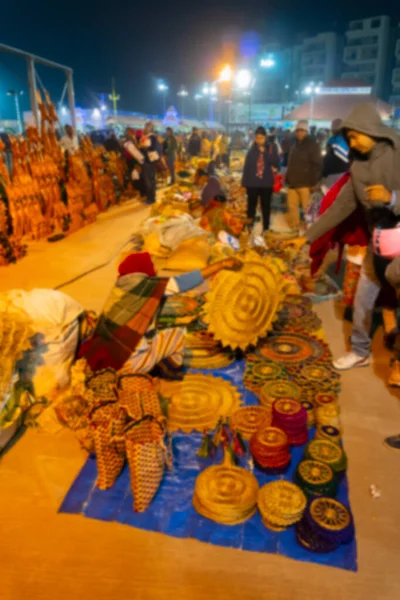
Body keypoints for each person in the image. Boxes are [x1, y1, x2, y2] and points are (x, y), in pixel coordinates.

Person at [283, 103, 400, 373]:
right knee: (362, 299)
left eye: (355, 136)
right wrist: (307, 237)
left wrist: (391, 198)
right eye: (348, 138)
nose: (351, 142)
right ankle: (360, 351)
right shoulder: (358, 167)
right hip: (378, 241)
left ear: (369, 129)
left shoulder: (396, 155)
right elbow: (341, 206)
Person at [78, 252, 240, 378]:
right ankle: (169, 374)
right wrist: (221, 264)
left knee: (152, 328)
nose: (155, 270)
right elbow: (184, 282)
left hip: (106, 362)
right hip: (128, 364)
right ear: (143, 269)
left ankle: (146, 363)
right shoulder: (146, 286)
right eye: (152, 266)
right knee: (177, 335)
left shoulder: (119, 288)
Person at [285, 120, 322, 234]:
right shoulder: (295, 145)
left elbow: (317, 165)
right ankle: (295, 229)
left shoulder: (312, 145)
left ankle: (311, 231)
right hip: (293, 183)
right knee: (292, 207)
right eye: (297, 130)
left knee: (308, 208)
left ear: (306, 131)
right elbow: (290, 163)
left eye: (302, 130)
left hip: (306, 183)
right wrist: (287, 178)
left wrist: (313, 183)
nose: (299, 133)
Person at [241, 125, 280, 233]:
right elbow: (247, 166)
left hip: (266, 183)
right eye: (257, 137)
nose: (258, 140)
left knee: (265, 207)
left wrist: (265, 153)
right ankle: (250, 227)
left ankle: (266, 228)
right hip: (252, 183)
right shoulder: (252, 149)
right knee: (251, 206)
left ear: (265, 137)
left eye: (261, 138)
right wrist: (244, 183)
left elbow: (276, 163)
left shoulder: (272, 148)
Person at [322, 118, 350, 190]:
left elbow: (328, 160)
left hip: (333, 174)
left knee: (331, 197)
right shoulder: (349, 139)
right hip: (346, 173)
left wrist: (323, 173)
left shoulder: (332, 140)